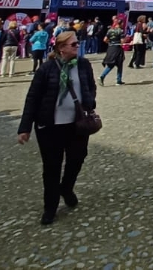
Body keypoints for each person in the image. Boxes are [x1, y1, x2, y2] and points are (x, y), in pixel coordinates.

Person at [17, 31, 97, 225]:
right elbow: (33, 97)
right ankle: (50, 208)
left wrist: (89, 102)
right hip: (50, 125)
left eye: (77, 44)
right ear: (61, 48)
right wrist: (25, 127)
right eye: (74, 45)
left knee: (77, 158)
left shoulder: (83, 65)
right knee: (51, 167)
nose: (77, 47)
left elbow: (91, 86)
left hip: (77, 123)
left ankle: (66, 187)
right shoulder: (46, 69)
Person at [98, 18, 125, 86]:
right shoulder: (120, 31)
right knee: (119, 64)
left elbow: (105, 39)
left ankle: (102, 76)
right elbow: (122, 41)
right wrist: (125, 40)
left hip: (110, 48)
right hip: (117, 49)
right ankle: (118, 80)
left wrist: (110, 42)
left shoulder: (110, 30)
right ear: (121, 23)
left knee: (110, 64)